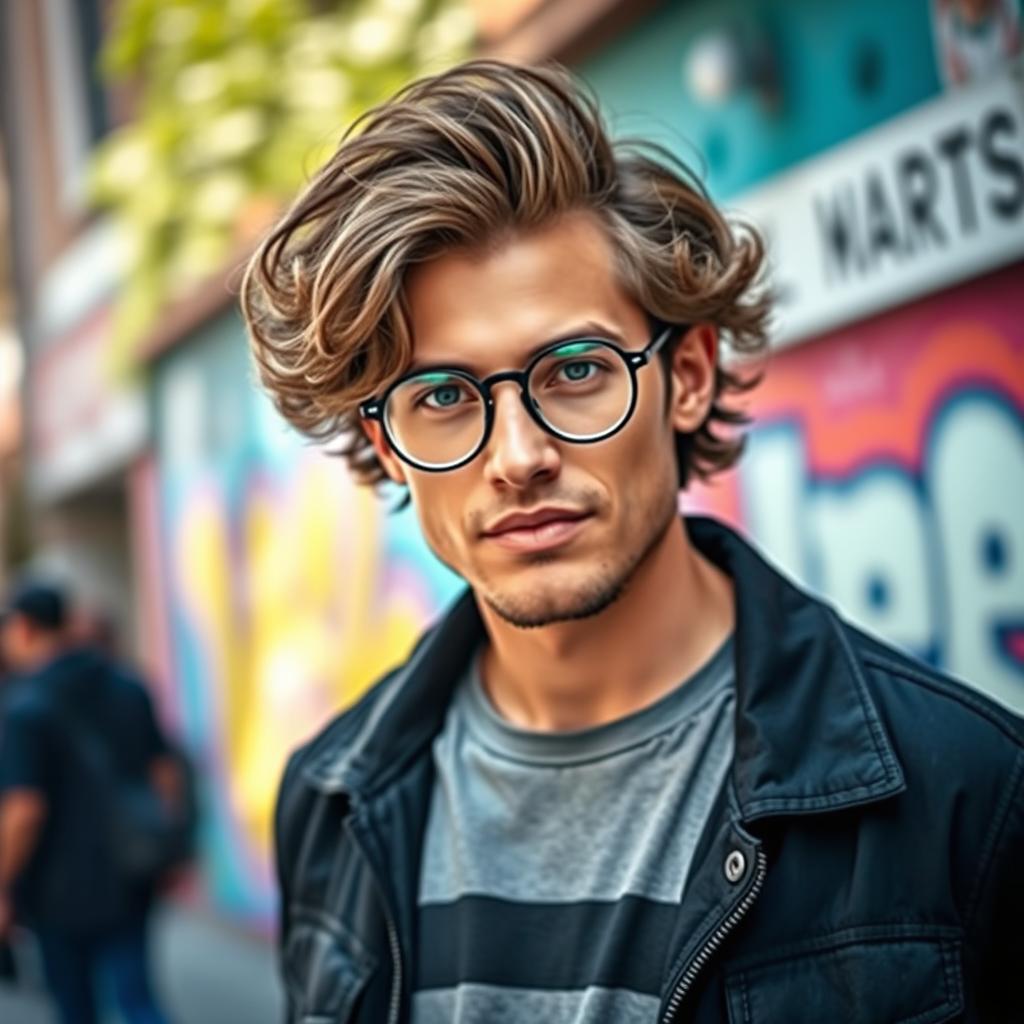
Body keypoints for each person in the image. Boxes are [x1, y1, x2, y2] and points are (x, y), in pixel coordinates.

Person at [241, 60, 1023, 1023]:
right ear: (385, 446)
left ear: (687, 374)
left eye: (574, 369)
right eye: (442, 397)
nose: (518, 457)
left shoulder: (968, 796)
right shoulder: (328, 802)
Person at [0, 582, 174, 1024]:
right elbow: (165, 773)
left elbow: (24, 809)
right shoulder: (127, 684)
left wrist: (2, 884)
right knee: (138, 998)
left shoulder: (24, 706)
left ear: (23, 628)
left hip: (57, 885)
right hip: (131, 866)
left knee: (75, 1008)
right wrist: (168, 847)